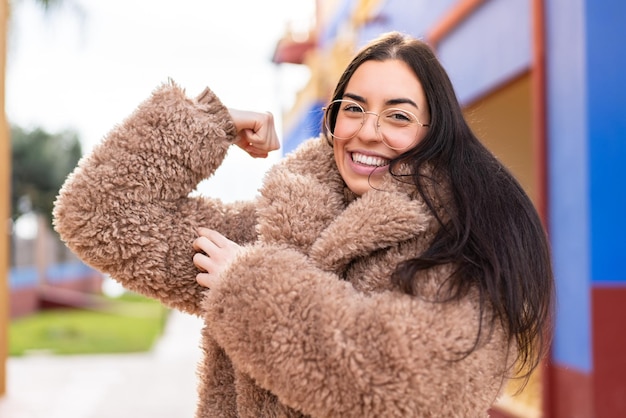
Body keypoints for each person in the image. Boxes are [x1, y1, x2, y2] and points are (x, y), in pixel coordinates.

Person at [53, 31, 554, 417]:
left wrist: (251, 289)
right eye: (352, 109)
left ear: (435, 134)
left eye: (398, 117)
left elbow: (414, 386)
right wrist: (211, 122)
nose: (368, 131)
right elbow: (100, 213)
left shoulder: (463, 245)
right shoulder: (272, 232)